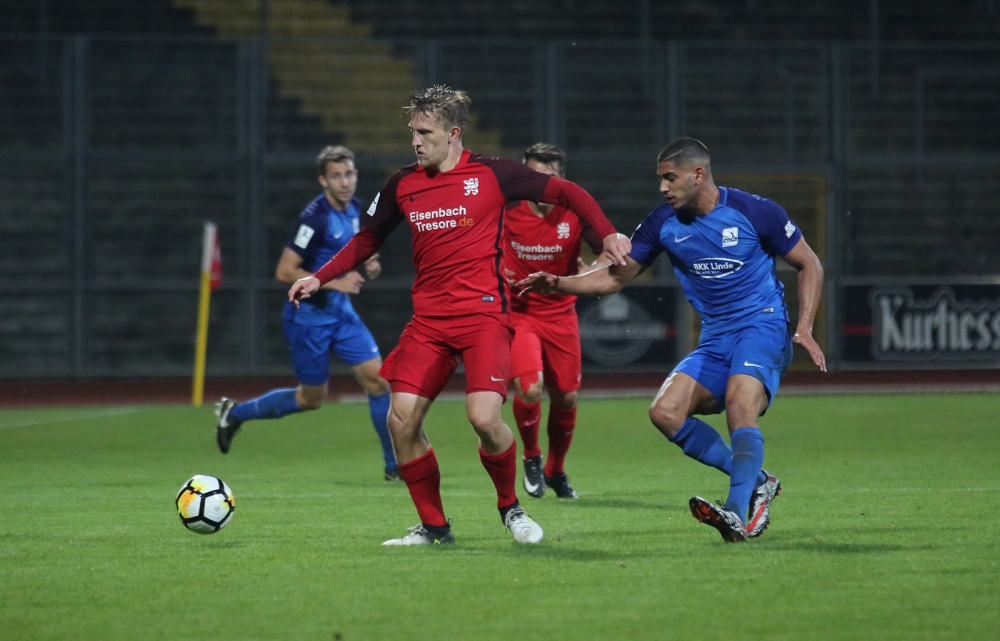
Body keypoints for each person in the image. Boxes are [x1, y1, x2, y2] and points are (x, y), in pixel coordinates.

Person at [288, 86, 631, 545]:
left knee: (484, 419)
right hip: (429, 323)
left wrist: (607, 233)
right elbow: (367, 238)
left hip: (484, 317)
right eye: (412, 132)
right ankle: (434, 527)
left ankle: (511, 508)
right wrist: (319, 276)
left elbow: (567, 191)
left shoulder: (493, 174)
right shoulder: (401, 184)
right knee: (400, 419)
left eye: (425, 133)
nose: (415, 141)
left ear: (452, 134)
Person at [517, 137, 826, 543]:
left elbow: (809, 263)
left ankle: (738, 513)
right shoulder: (662, 223)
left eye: (670, 178)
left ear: (698, 174)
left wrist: (805, 326)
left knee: (740, 404)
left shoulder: (755, 211)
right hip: (715, 337)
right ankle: (756, 480)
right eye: (660, 179)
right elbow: (614, 278)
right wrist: (558, 283)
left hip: (762, 326)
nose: (662, 187)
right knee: (665, 412)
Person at [215, 145, 399, 481]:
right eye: (336, 176)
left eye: (349, 174)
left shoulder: (355, 208)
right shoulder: (315, 219)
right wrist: (337, 282)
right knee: (312, 399)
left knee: (379, 382)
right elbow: (285, 271)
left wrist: (370, 262)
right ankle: (236, 413)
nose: (344, 182)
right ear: (323, 181)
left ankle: (394, 467)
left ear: (356, 175)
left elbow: (354, 249)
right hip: (309, 320)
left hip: (341, 315)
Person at [503, 143, 605, 500]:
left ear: (562, 179)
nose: (541, 186)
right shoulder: (505, 208)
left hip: (561, 314)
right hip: (520, 313)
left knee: (566, 396)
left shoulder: (575, 210)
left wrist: (590, 272)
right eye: (534, 177)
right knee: (530, 388)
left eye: (549, 178)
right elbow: (476, 244)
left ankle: (555, 470)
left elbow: (608, 253)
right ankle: (531, 455)